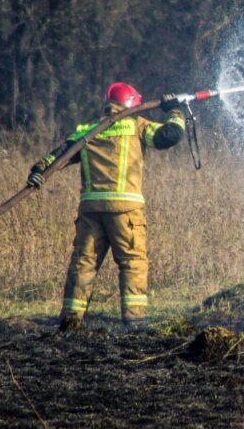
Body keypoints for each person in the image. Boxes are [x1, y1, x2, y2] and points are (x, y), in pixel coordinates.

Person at [26, 82, 185, 330]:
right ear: (132, 102)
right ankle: (135, 321)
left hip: (91, 210)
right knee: (132, 262)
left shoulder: (89, 130)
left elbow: (58, 156)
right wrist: (174, 111)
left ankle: (71, 319)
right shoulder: (138, 126)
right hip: (125, 209)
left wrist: (37, 171)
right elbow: (170, 137)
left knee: (83, 262)